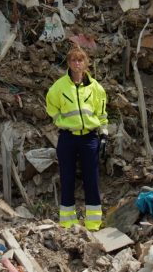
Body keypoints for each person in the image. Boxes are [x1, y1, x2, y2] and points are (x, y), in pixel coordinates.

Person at [46, 46, 108, 231]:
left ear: (86, 63)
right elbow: (51, 107)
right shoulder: (59, 86)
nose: (77, 63)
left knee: (92, 179)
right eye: (73, 60)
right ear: (68, 63)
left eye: (80, 60)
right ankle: (67, 221)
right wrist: (61, 122)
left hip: (89, 138)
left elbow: (102, 112)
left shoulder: (95, 88)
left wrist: (103, 134)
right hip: (68, 139)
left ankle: (93, 223)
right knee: (67, 177)